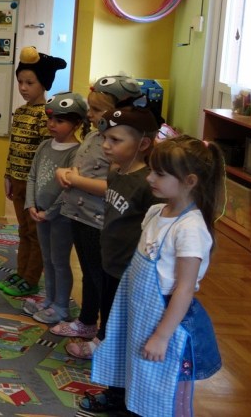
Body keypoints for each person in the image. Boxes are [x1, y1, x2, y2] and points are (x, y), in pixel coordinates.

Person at [92, 135, 223, 416]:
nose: (150, 178)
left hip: (168, 321)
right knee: (139, 378)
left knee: (166, 395)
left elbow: (184, 289)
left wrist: (162, 336)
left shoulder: (190, 229)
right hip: (143, 314)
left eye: (160, 174)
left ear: (189, 181)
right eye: (151, 170)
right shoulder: (156, 212)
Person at [73, 105, 161, 412]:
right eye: (105, 138)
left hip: (131, 274)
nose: (106, 145)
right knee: (110, 328)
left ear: (143, 144)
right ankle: (115, 391)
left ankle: (124, 397)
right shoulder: (115, 171)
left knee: (126, 334)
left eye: (116, 140)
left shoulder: (149, 184)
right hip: (110, 265)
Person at [50, 75, 141, 343]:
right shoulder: (93, 136)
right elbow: (82, 166)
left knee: (101, 278)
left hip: (98, 220)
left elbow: (112, 185)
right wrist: (67, 172)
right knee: (89, 274)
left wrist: (75, 180)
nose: (89, 114)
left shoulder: (117, 147)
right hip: (79, 215)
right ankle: (87, 321)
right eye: (90, 108)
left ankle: (105, 335)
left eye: (97, 110)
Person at [0, 47, 67, 297]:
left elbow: (47, 155)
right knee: (23, 230)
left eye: (30, 82)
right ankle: (21, 272)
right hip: (17, 181)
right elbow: (14, 147)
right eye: (20, 82)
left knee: (35, 233)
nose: (23, 88)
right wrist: (7, 175)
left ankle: (31, 278)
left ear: (43, 83)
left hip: (34, 186)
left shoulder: (46, 115)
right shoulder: (20, 112)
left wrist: (41, 187)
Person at [24, 92, 87, 324]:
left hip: (61, 217)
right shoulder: (44, 146)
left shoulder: (76, 152)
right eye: (50, 119)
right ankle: (49, 299)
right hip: (40, 213)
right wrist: (31, 204)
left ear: (76, 124)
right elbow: (32, 176)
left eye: (59, 121)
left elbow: (69, 190)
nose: (52, 124)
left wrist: (48, 213)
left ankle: (61, 307)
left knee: (59, 262)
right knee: (47, 259)